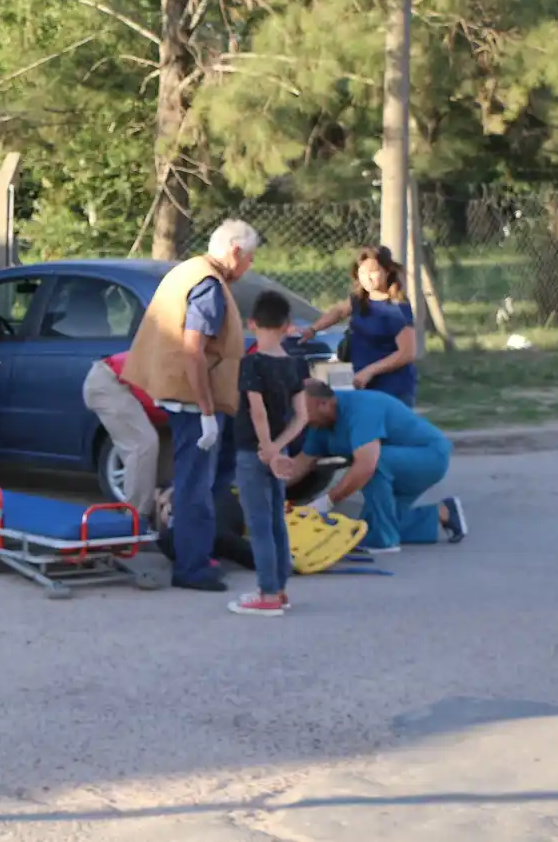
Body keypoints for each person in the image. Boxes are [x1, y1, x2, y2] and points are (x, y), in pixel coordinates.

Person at [122, 219, 259, 592]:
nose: (250, 266)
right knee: (195, 485)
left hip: (185, 395)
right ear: (235, 251)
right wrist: (208, 411)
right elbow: (193, 349)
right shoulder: (208, 286)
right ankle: (192, 566)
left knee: (203, 480)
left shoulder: (188, 271)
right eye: (249, 258)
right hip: (194, 401)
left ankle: (198, 552)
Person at [287, 381, 466, 553]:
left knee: (375, 464)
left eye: (303, 411)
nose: (300, 418)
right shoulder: (320, 425)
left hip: (428, 457)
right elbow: (302, 463)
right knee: (366, 526)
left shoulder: (362, 409)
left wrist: (327, 502)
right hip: (395, 464)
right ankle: (444, 513)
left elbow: (366, 466)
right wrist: (274, 490)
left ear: (323, 404)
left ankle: (384, 542)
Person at [227, 291, 310, 617]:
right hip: (280, 451)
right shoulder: (295, 364)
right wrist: (279, 447)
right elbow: (302, 415)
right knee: (277, 521)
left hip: (254, 453)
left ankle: (268, 593)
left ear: (252, 323)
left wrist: (267, 449)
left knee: (258, 524)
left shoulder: (252, 364)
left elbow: (256, 410)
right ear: (288, 325)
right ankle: (280, 587)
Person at [302, 245, 417, 406]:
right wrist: (313, 329)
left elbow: (407, 353)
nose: (367, 278)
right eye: (362, 273)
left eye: (373, 272)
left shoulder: (397, 308)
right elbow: (339, 312)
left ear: (387, 271)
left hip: (393, 389)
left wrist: (370, 371)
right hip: (363, 385)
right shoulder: (359, 300)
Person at [82, 352, 164, 520]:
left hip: (129, 386)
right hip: (110, 381)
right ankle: (136, 518)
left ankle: (156, 515)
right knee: (142, 444)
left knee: (161, 447)